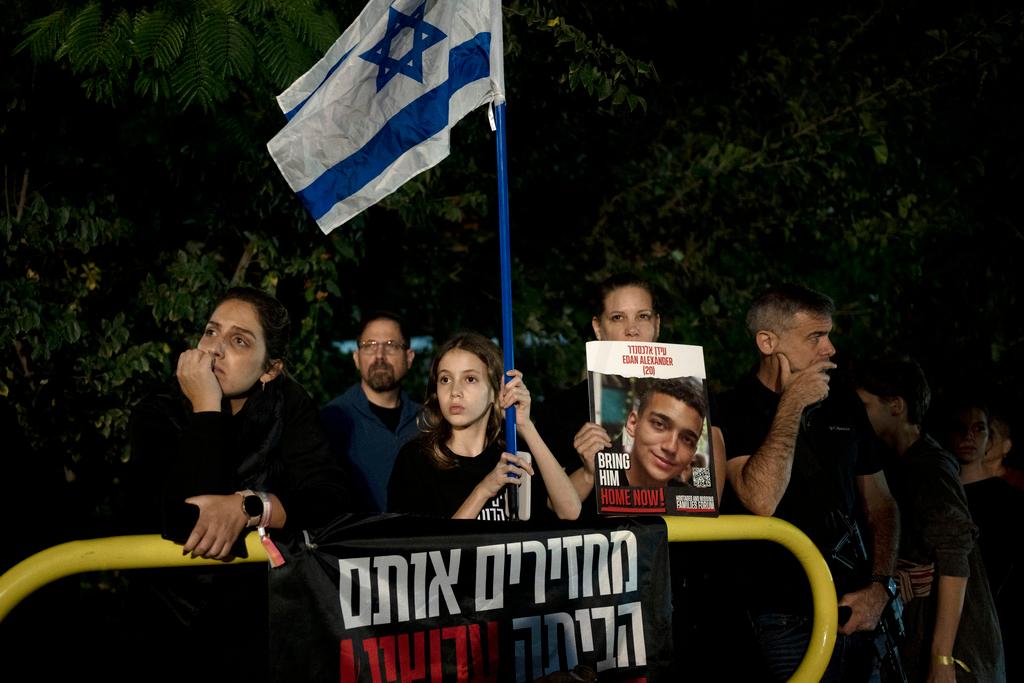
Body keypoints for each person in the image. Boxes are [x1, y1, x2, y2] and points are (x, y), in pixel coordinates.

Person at [127, 286, 350, 680]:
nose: (214, 349)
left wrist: (251, 507)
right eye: (210, 332)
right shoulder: (157, 409)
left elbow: (330, 502)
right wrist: (206, 407)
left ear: (270, 368)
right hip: (172, 626)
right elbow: (184, 521)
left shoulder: (290, 405)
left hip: (263, 627)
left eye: (239, 341)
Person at [717, 284, 899, 682]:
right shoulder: (732, 408)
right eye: (815, 336)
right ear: (767, 342)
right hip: (781, 618)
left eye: (829, 334)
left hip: (859, 610)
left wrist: (881, 586)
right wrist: (792, 403)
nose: (830, 348)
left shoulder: (844, 402)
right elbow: (760, 498)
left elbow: (881, 502)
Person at [857, 358, 1005, 682]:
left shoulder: (929, 468)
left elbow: (955, 557)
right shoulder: (902, 465)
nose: (859, 414)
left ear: (895, 406)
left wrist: (942, 657)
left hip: (959, 656)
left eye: (865, 405)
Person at [536, 273, 726, 514]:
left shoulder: (698, 397)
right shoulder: (562, 407)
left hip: (678, 544)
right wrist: (587, 473)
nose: (632, 330)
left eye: (643, 317)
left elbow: (708, 502)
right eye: (617, 318)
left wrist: (696, 477)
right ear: (598, 328)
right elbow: (552, 509)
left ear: (657, 325)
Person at [387, 332, 581, 521]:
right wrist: (483, 491)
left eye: (470, 379)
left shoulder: (515, 453)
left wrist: (525, 426)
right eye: (445, 379)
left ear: (496, 392)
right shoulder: (416, 460)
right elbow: (425, 550)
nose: (455, 392)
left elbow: (570, 511)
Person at [943, 398, 1021, 680]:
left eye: (979, 429)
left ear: (989, 438)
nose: (968, 437)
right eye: (960, 428)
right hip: (949, 618)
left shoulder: (1009, 501)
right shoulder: (938, 497)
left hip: (997, 618)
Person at [321, 311, 420, 512]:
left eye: (391, 345)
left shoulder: (429, 423)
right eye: (370, 346)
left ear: (409, 358)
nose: (380, 356)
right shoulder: (330, 422)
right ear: (356, 358)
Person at [621, 377, 707, 490]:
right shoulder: (597, 472)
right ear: (633, 423)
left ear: (693, 454)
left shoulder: (691, 496)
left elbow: (705, 488)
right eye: (659, 425)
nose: (671, 447)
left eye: (687, 439)